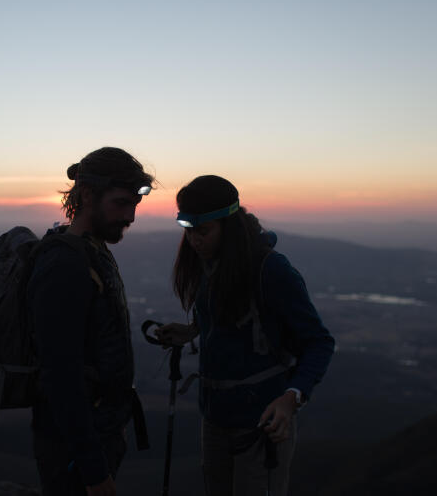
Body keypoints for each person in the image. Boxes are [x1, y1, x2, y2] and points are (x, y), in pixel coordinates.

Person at [155, 175, 334, 496]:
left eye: (203, 231)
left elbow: (319, 342)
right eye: (189, 231)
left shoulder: (271, 270)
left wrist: (291, 398)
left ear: (229, 226)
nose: (194, 240)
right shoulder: (210, 265)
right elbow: (229, 319)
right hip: (215, 417)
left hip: (263, 422)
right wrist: (191, 331)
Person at [27, 147, 155, 496]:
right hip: (73, 450)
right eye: (120, 203)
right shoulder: (65, 266)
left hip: (100, 435)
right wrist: (93, 470)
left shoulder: (94, 251)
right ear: (87, 194)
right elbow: (60, 375)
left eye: (134, 205)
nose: (130, 216)